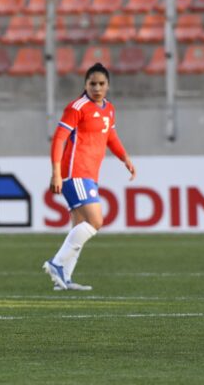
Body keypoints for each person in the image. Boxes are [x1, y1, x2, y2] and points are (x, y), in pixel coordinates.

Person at [44, 62, 135, 291]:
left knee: (81, 224)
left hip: (90, 174)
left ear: (108, 86)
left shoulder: (109, 109)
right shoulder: (77, 107)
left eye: (101, 83)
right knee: (96, 221)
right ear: (85, 84)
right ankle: (56, 263)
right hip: (75, 172)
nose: (96, 87)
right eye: (92, 83)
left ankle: (64, 277)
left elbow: (110, 136)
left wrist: (125, 158)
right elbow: (59, 139)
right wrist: (56, 173)